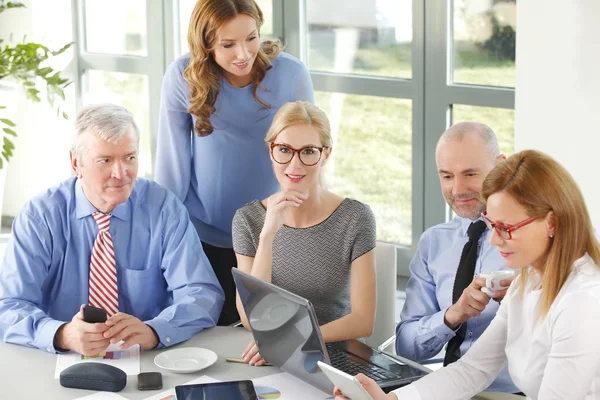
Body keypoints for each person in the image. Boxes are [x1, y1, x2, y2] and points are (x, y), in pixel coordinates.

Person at [335, 149, 600, 399]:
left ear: (551, 222)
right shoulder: (526, 283)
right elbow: (473, 370)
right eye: (492, 225)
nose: (495, 241)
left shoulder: (580, 302)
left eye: (507, 228)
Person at [0, 104, 224, 356]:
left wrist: (156, 330)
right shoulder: (39, 217)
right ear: (76, 163)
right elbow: (8, 306)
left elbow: (202, 293)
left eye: (129, 157)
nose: (121, 173)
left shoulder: (163, 208)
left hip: (147, 358)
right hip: (55, 358)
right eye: (105, 160)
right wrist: (61, 334)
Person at [155, 0, 314, 326]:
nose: (243, 54)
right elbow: (172, 166)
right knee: (204, 335)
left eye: (251, 38)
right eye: (228, 44)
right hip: (203, 237)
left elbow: (307, 159)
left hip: (272, 235)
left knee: (270, 335)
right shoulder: (182, 76)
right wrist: (165, 238)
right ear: (206, 42)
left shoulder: (291, 75)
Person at [232, 101, 376, 366]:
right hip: (273, 357)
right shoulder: (248, 219)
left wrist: (294, 341)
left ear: (326, 154)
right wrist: (268, 235)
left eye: (308, 151)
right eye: (284, 150)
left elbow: (363, 321)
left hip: (336, 357)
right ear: (271, 150)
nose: (295, 165)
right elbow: (251, 320)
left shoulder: (355, 218)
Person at [395, 122, 517, 393]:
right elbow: (405, 347)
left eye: (470, 174)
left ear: (500, 166)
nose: (458, 189)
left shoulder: (527, 241)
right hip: (446, 387)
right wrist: (451, 316)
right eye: (447, 176)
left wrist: (523, 306)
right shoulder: (434, 242)